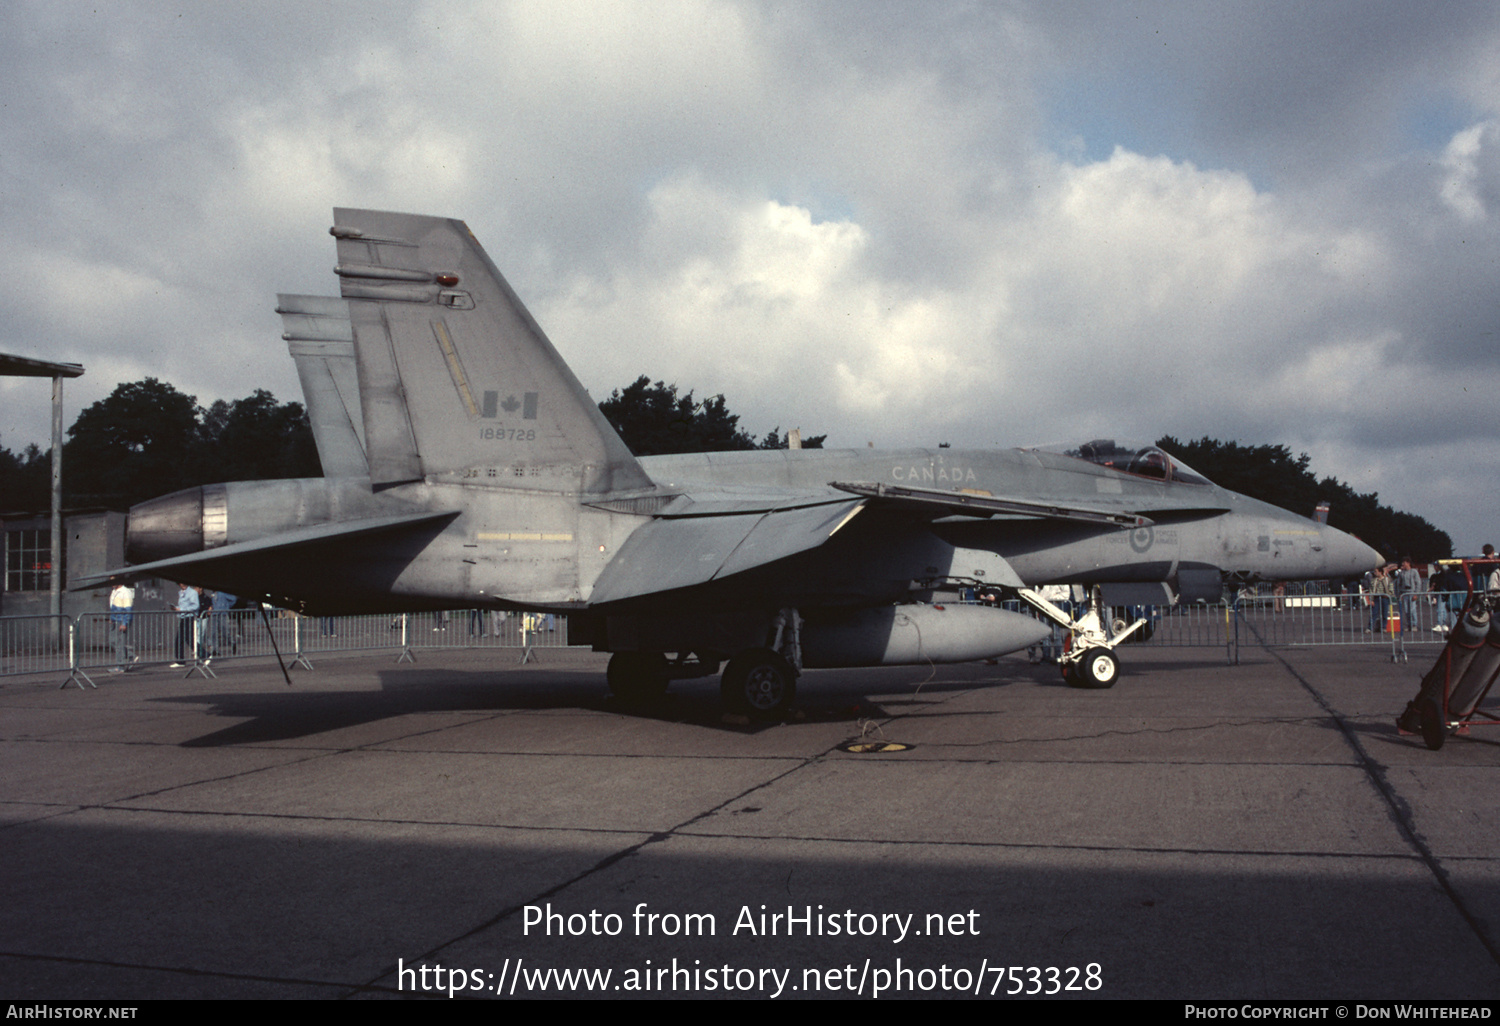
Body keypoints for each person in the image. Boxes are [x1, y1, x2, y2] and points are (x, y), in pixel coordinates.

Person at [171, 582, 200, 667]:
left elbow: (195, 605)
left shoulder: (192, 592)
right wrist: (176, 609)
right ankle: (180, 660)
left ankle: (205, 655)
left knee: (189, 639)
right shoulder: (181, 593)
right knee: (180, 639)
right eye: (180, 583)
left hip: (190, 617)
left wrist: (182, 609)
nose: (182, 585)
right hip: (183, 617)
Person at [108, 583, 135, 672]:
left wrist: (125, 623)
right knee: (112, 641)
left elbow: (128, 608)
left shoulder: (125, 592)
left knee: (120, 643)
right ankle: (130, 655)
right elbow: (113, 606)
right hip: (115, 620)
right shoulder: (114, 591)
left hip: (121, 620)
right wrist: (111, 618)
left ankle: (120, 666)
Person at [1394, 558, 1423, 634]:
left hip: (1411, 592)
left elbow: (1418, 583)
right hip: (1404, 592)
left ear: (1408, 563)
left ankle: (1414, 625)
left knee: (1412, 610)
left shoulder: (1414, 572)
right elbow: (1398, 583)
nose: (1403, 564)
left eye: (1404, 562)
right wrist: (1399, 593)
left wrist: (1416, 593)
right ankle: (1409, 625)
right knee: (1406, 610)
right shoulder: (1401, 573)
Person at [208, 589, 238, 661]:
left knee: (225, 632)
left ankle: (232, 642)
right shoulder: (212, 594)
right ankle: (215, 649)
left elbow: (233, 599)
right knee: (213, 632)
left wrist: (226, 606)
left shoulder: (222, 593)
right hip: (214, 614)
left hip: (222, 614)